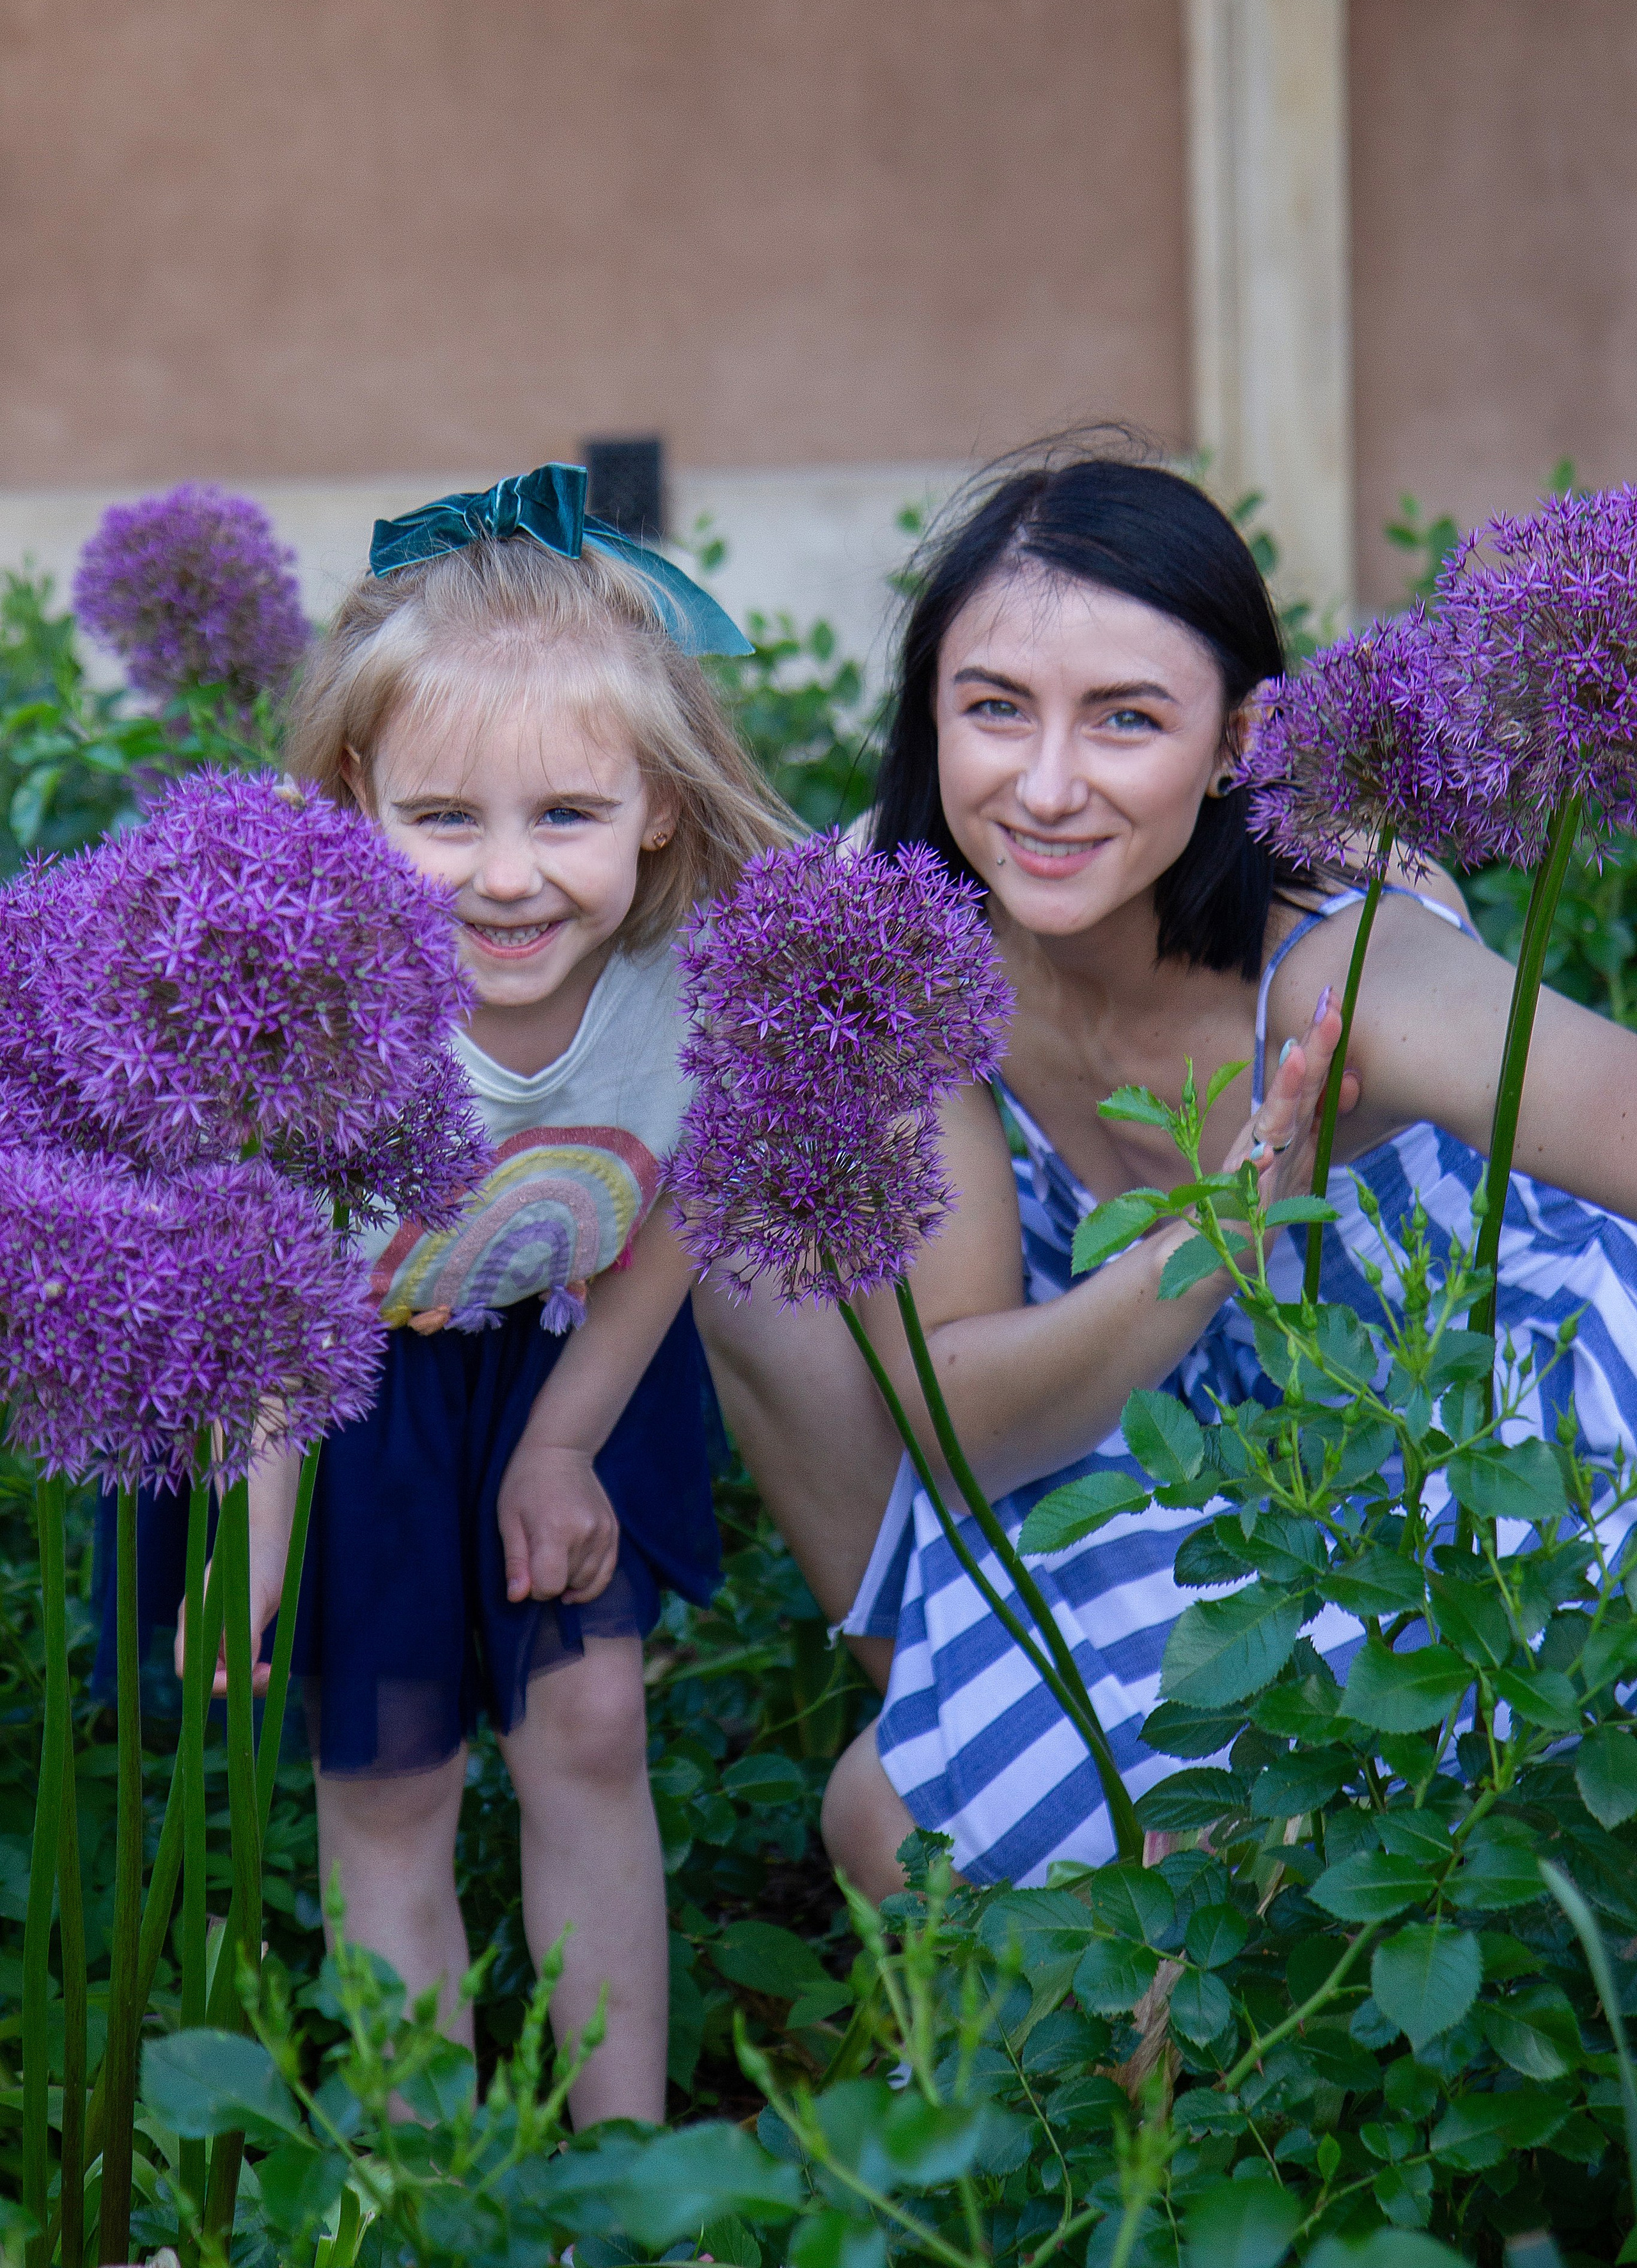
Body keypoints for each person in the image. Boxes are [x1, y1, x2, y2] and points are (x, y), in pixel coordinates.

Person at [702, 445, 1637, 1901]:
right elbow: (955, 1423)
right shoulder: (896, 936)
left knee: (1080, 1836)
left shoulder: (1332, 946)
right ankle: (949, 1682)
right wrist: (1219, 1233)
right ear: (926, 710)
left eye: (1125, 719)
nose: (1047, 786)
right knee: (883, 1819)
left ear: (1234, 742)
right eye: (993, 710)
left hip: (1471, 1439)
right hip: (1154, 1448)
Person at [100, 466, 789, 2125]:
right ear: (354, 804)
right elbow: (278, 1285)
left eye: (564, 816)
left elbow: (675, 1210)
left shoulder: (685, 981)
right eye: (445, 820)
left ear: (658, 815)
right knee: (388, 1789)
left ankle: (624, 2179)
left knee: (594, 1734)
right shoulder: (338, 1015)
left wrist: (565, 1444)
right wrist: (251, 1544)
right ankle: (436, 2188)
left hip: (576, 1354)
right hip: (343, 1393)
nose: (504, 878)